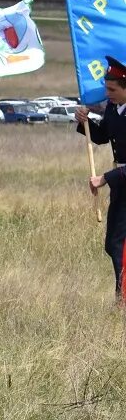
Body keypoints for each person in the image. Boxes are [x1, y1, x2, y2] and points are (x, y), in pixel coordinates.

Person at [80, 54, 126, 301]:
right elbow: (101, 136)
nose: (107, 93)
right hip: (121, 183)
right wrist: (84, 123)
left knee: (118, 244)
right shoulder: (112, 108)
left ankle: (122, 298)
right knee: (113, 244)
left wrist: (104, 178)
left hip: (119, 178)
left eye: (112, 89)